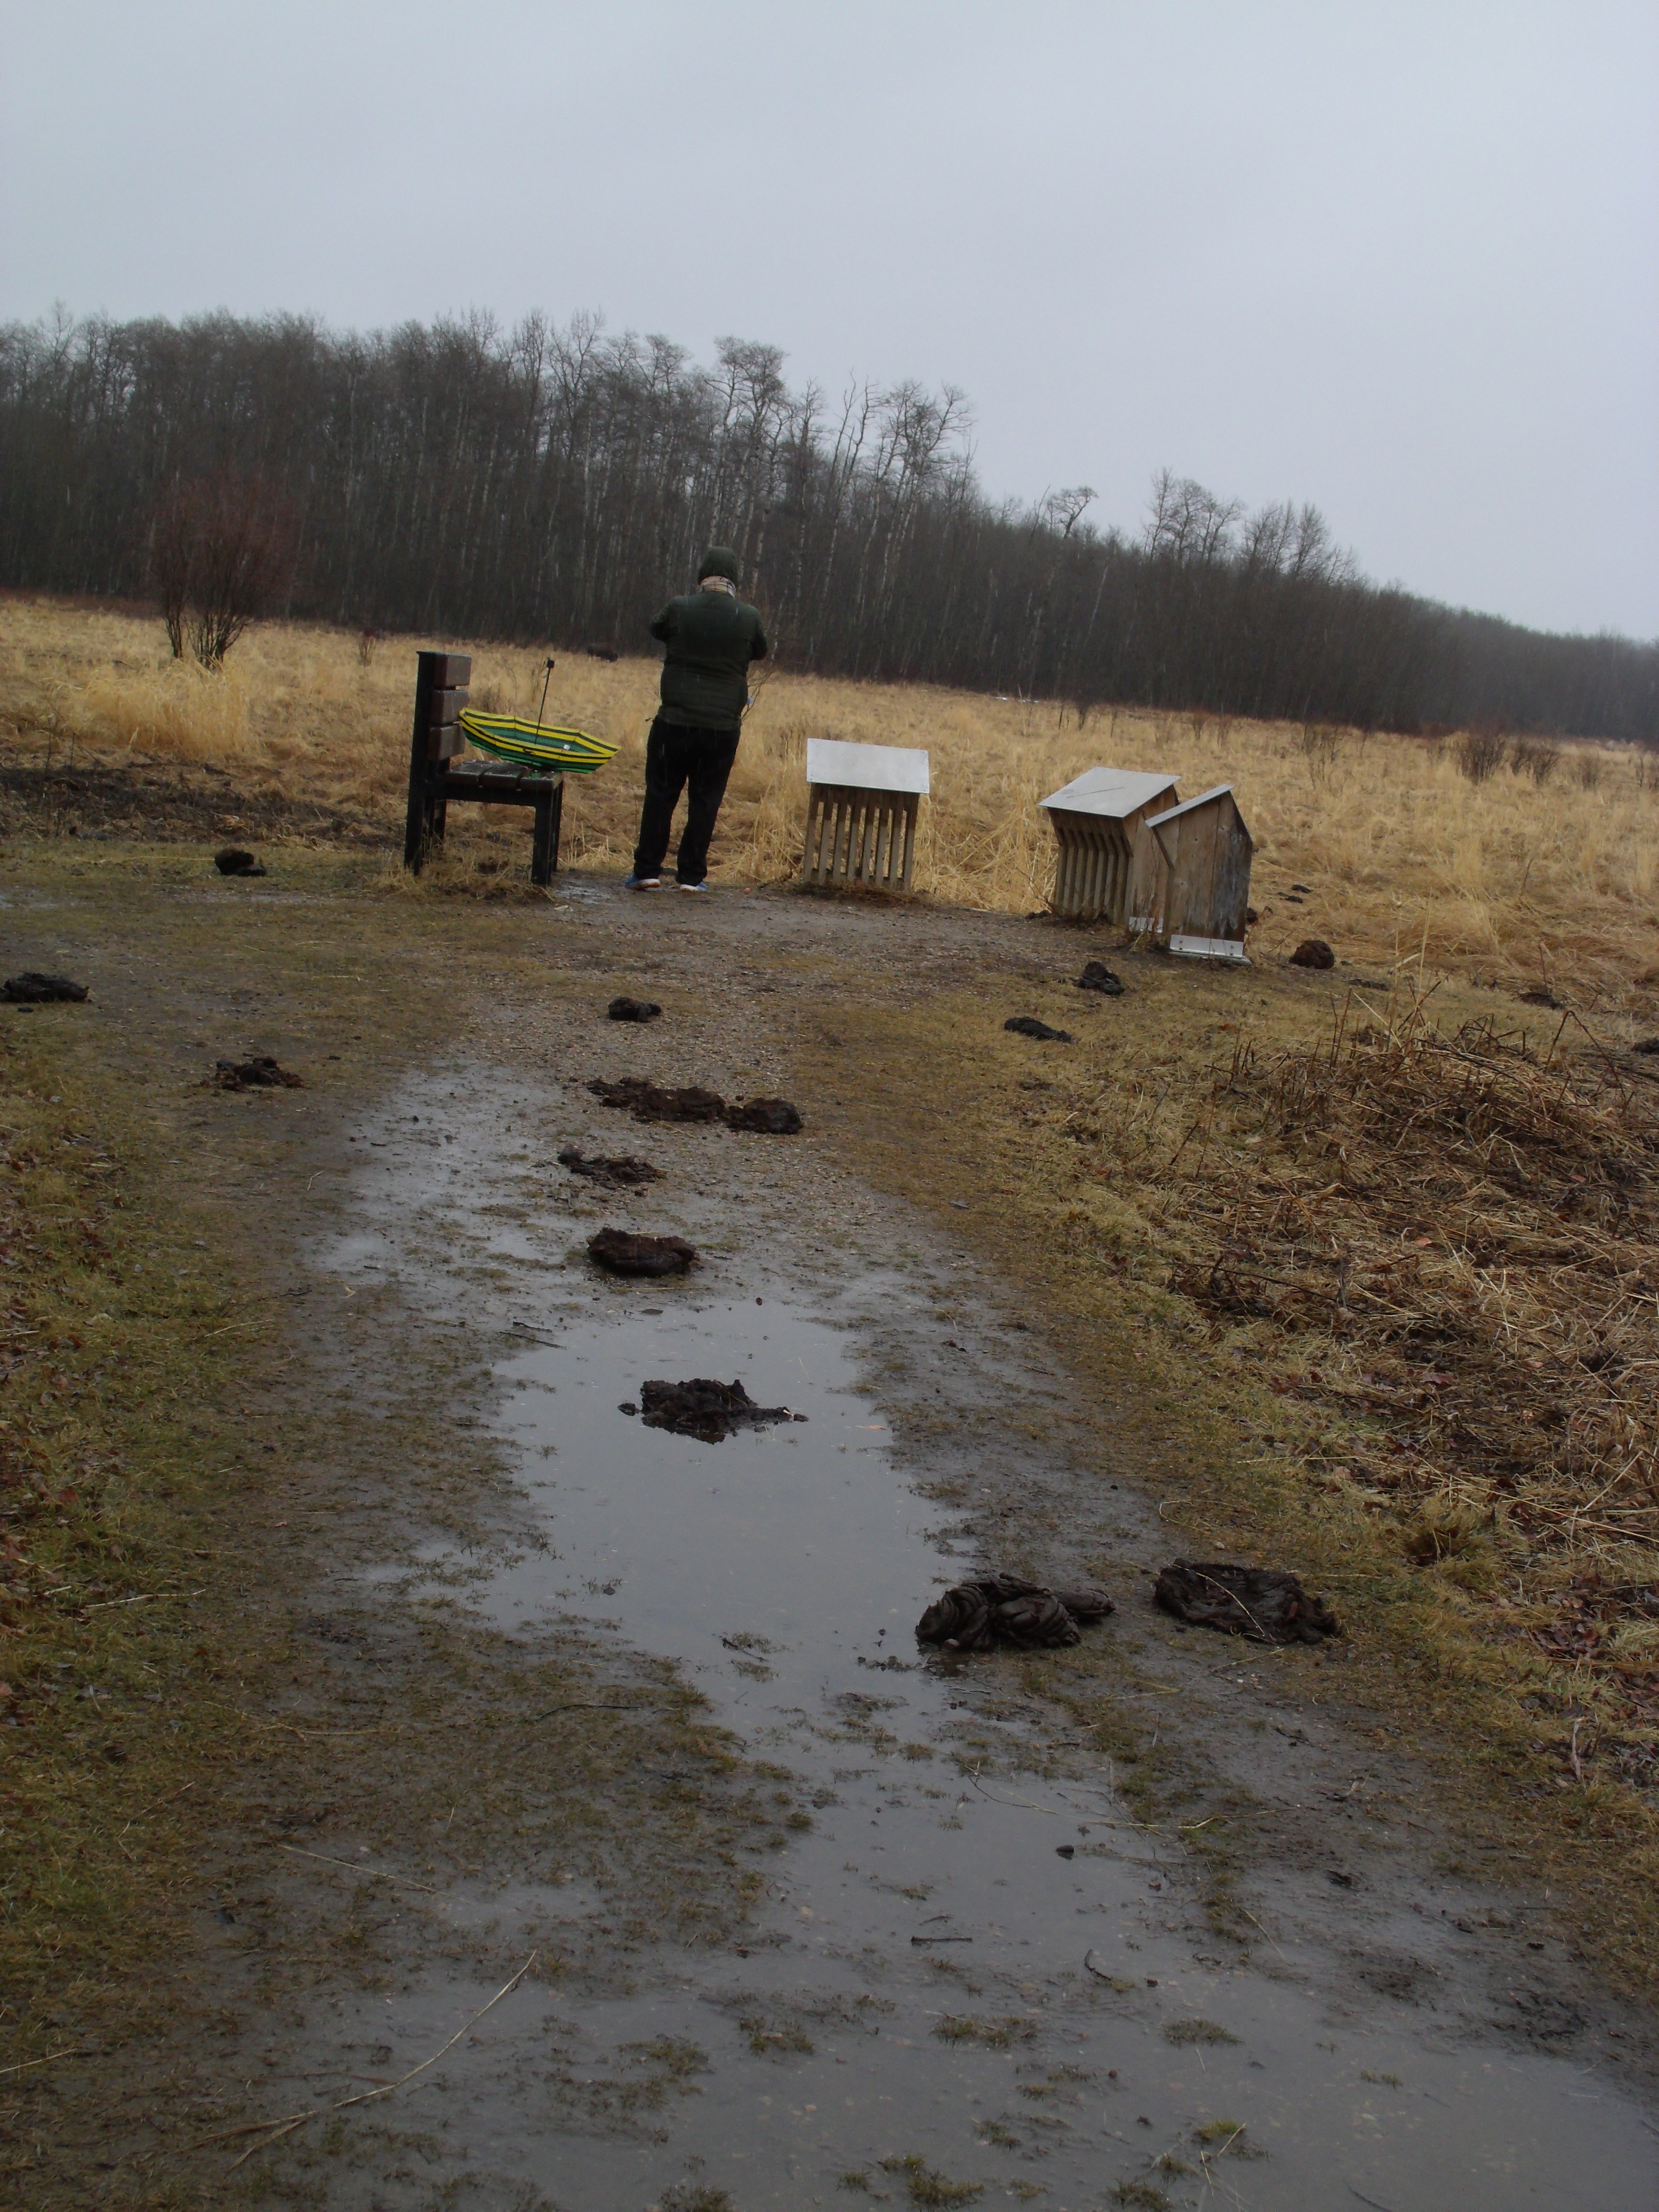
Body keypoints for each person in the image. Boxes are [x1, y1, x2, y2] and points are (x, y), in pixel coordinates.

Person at [625, 546, 767, 891]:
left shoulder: (679, 608)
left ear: (702, 575)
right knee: (705, 801)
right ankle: (691, 877)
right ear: (735, 579)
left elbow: (656, 627)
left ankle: (647, 871)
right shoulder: (748, 617)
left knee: (661, 795)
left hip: (674, 723)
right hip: (721, 729)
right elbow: (761, 650)